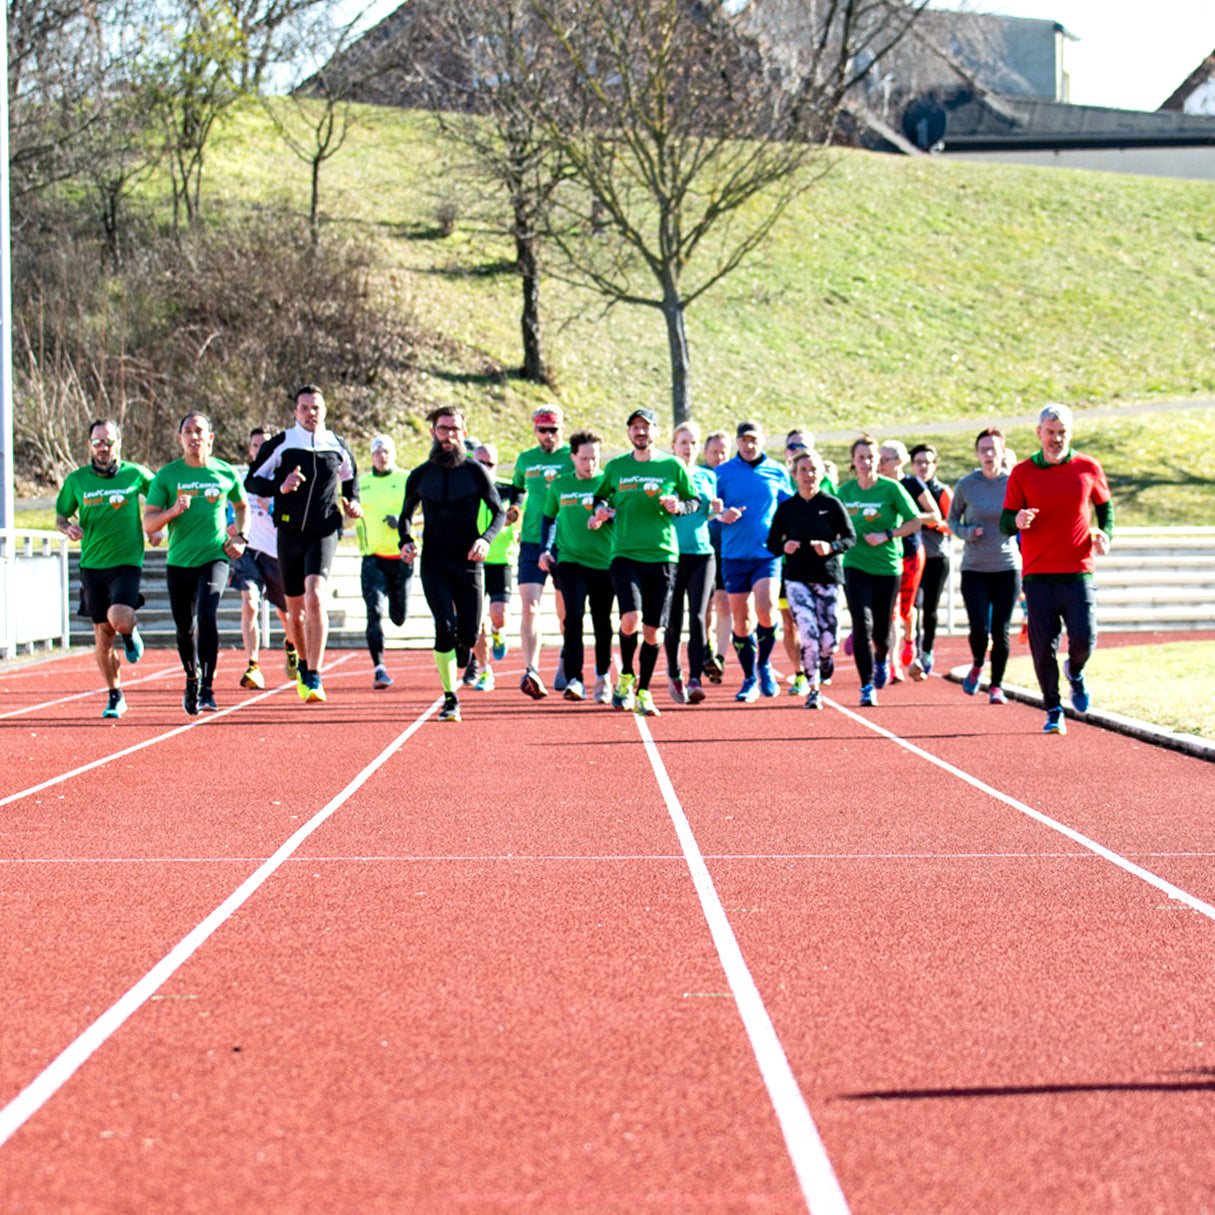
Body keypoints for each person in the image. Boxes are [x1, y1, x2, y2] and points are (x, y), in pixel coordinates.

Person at [246, 385, 362, 703]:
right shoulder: (282, 443)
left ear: (324, 411)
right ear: (296, 412)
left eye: (317, 408)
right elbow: (252, 480)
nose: (311, 413)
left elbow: (351, 479)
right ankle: (302, 663)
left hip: (323, 530)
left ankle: (314, 675)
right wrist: (279, 487)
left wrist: (353, 503)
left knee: (315, 596)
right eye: (305, 407)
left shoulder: (336, 444)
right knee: (294, 613)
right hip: (289, 532)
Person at [1001, 404, 1113, 735]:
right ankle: (1053, 709)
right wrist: (1017, 520)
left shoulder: (1088, 467)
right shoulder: (1022, 473)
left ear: (1070, 433)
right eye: (1050, 432)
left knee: (1084, 639)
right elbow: (1006, 521)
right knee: (1042, 646)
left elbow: (1105, 506)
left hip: (1079, 570)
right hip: (1037, 574)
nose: (1056, 438)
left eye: (1062, 432)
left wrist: (1105, 533)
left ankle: (1075, 672)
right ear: (1039, 434)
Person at [591, 407, 700, 717]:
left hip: (663, 555)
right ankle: (626, 675)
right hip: (624, 554)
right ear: (629, 433)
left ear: (655, 432)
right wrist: (600, 510)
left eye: (646, 427)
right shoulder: (615, 467)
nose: (640, 432)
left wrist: (678, 505)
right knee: (631, 619)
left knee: (652, 631)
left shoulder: (672, 465)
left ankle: (644, 691)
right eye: (635, 427)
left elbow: (694, 501)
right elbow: (600, 498)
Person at [399, 407, 506, 722]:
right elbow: (405, 516)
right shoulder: (420, 475)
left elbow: (498, 511)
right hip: (434, 562)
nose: (448, 435)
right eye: (443, 429)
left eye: (454, 429)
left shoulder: (475, 471)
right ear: (434, 432)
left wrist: (486, 539)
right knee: (444, 627)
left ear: (463, 431)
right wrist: (405, 541)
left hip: (469, 562)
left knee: (470, 635)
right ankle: (450, 698)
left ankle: (465, 649)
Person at [143, 412, 249, 715]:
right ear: (180, 439)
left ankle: (208, 690)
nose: (194, 437)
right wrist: (173, 510)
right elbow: (149, 522)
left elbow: (242, 506)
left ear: (210, 438)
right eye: (187, 431)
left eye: (199, 431)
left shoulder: (225, 472)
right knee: (184, 628)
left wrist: (241, 537)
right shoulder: (167, 475)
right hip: (179, 561)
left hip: (214, 556)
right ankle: (192, 678)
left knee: (207, 615)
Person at [54, 419, 157, 719]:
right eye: (97, 442)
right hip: (92, 565)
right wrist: (67, 528)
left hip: (126, 561)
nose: (103, 447)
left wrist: (156, 526)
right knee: (102, 635)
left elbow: (161, 493)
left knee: (120, 619)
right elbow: (61, 515)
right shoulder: (77, 480)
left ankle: (131, 631)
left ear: (118, 443)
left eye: (108, 441)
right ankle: (116, 694)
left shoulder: (134, 474)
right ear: (89, 445)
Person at [765, 449, 856, 709]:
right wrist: (785, 546)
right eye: (803, 470)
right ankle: (813, 688)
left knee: (829, 641)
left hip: (827, 578)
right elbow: (771, 543)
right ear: (794, 475)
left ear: (821, 473)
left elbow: (850, 538)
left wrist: (831, 547)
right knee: (807, 634)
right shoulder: (787, 508)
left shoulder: (832, 504)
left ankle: (826, 660)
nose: (808, 475)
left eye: (813, 469)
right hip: (796, 580)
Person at [837, 435, 921, 707]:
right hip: (855, 564)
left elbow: (915, 521)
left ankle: (882, 658)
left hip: (887, 566)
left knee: (881, 633)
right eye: (860, 457)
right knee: (862, 624)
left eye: (872, 457)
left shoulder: (891, 489)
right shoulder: (845, 492)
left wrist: (888, 534)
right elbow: (832, 523)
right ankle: (866, 686)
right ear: (853, 461)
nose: (866, 462)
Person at [714, 420, 793, 702]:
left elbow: (790, 506)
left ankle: (765, 664)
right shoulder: (721, 473)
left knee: (766, 608)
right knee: (741, 619)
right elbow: (711, 510)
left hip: (767, 554)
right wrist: (721, 515)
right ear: (737, 442)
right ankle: (749, 678)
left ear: (763, 441)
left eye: (754, 440)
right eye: (744, 440)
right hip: (734, 555)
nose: (749, 445)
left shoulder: (777, 470)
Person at [540, 429, 615, 703]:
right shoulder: (560, 486)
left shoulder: (609, 483)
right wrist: (545, 550)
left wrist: (606, 517)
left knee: (602, 622)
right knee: (572, 618)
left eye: (594, 458)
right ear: (572, 457)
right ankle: (575, 680)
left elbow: (623, 519)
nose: (589, 464)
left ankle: (603, 677)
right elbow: (548, 518)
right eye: (584, 458)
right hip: (570, 562)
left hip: (605, 563)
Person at [948, 428, 1022, 705]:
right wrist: (967, 532)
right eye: (983, 449)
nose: (989, 454)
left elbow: (1027, 516)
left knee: (1001, 630)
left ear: (1003, 451)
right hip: (975, 568)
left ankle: (996, 686)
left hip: (1006, 565)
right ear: (977, 453)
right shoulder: (967, 485)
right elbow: (952, 520)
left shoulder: (1014, 483)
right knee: (979, 628)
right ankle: (978, 662)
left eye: (994, 449)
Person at [512, 406, 574, 699]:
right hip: (531, 540)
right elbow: (517, 489)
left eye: (554, 430)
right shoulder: (525, 459)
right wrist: (513, 509)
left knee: (565, 609)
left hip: (566, 540)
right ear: (535, 430)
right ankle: (531, 669)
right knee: (529, 605)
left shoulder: (572, 457)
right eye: (542, 430)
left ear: (563, 429)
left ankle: (564, 658)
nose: (548, 436)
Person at [229, 427, 297, 690]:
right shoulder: (241, 479)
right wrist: (230, 527)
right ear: (249, 449)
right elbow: (228, 512)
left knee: (286, 614)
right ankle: (253, 665)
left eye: (264, 446)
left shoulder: (282, 479)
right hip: (247, 552)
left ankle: (291, 645)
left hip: (276, 553)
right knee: (250, 603)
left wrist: (272, 508)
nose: (259, 450)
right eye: (255, 445)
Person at [663, 421, 720, 704]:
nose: (689, 448)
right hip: (671, 555)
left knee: (698, 618)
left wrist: (720, 512)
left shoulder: (708, 476)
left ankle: (695, 677)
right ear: (673, 445)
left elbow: (706, 514)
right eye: (683, 442)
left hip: (702, 553)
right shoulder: (665, 473)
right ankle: (674, 672)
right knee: (673, 621)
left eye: (694, 443)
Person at [876, 440, 942, 683]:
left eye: (885, 460)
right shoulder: (877, 486)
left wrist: (908, 517)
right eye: (878, 459)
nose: (880, 465)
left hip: (911, 552)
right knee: (890, 610)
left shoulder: (912, 484)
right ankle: (892, 665)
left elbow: (935, 515)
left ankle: (910, 638)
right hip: (885, 553)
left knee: (906, 608)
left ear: (899, 462)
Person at [355, 434, 411, 690]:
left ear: (394, 454)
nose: (382, 456)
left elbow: (424, 514)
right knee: (374, 611)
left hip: (401, 559)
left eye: (386, 451)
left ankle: (398, 611)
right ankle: (379, 668)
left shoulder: (406, 479)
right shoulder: (361, 483)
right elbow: (347, 512)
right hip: (373, 557)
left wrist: (401, 522)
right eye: (377, 451)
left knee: (399, 616)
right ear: (371, 455)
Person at [469, 442, 522, 692]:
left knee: (499, 614)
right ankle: (485, 670)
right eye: (479, 463)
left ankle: (498, 631)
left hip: (501, 559)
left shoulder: (508, 489)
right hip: (473, 559)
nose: (484, 468)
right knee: (475, 619)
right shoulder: (464, 489)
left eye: (489, 464)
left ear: (496, 465)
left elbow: (520, 512)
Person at [907, 443, 953, 681]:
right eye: (918, 462)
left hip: (936, 556)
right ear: (912, 465)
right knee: (914, 605)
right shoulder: (906, 488)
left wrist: (928, 522)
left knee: (930, 609)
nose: (923, 467)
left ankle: (927, 650)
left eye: (927, 462)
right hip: (913, 557)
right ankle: (912, 649)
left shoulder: (943, 491)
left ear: (935, 465)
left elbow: (952, 524)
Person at [701, 429, 731, 683]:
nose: (719, 456)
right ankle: (706, 648)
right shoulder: (698, 475)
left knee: (724, 602)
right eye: (714, 452)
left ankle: (719, 657)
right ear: (705, 453)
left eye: (724, 452)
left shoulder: (733, 474)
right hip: (699, 550)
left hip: (726, 549)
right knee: (704, 607)